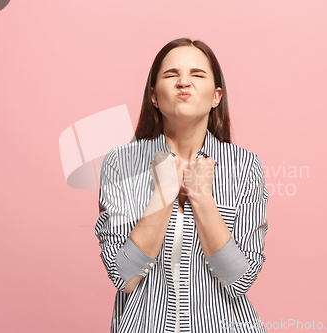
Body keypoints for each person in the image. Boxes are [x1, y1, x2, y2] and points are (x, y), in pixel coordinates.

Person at [95, 37, 269, 333]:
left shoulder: (245, 166)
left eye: (197, 75)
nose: (183, 83)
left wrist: (202, 198)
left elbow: (241, 280)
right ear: (154, 96)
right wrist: (164, 192)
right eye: (171, 74)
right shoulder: (119, 164)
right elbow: (123, 276)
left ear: (216, 97)